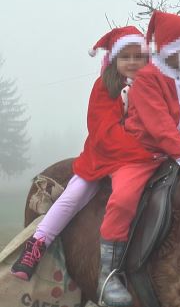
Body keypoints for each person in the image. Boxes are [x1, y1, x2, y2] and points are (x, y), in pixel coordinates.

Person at [95, 11, 180, 307]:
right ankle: (108, 275)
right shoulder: (148, 78)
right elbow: (159, 125)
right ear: (172, 48)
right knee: (123, 198)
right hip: (139, 155)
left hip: (174, 153)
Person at [11, 26, 152, 282]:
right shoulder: (104, 87)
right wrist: (145, 150)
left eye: (138, 56)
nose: (132, 62)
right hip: (103, 157)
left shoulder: (153, 86)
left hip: (136, 160)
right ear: (114, 60)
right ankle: (37, 245)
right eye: (126, 57)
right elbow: (104, 132)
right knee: (73, 196)